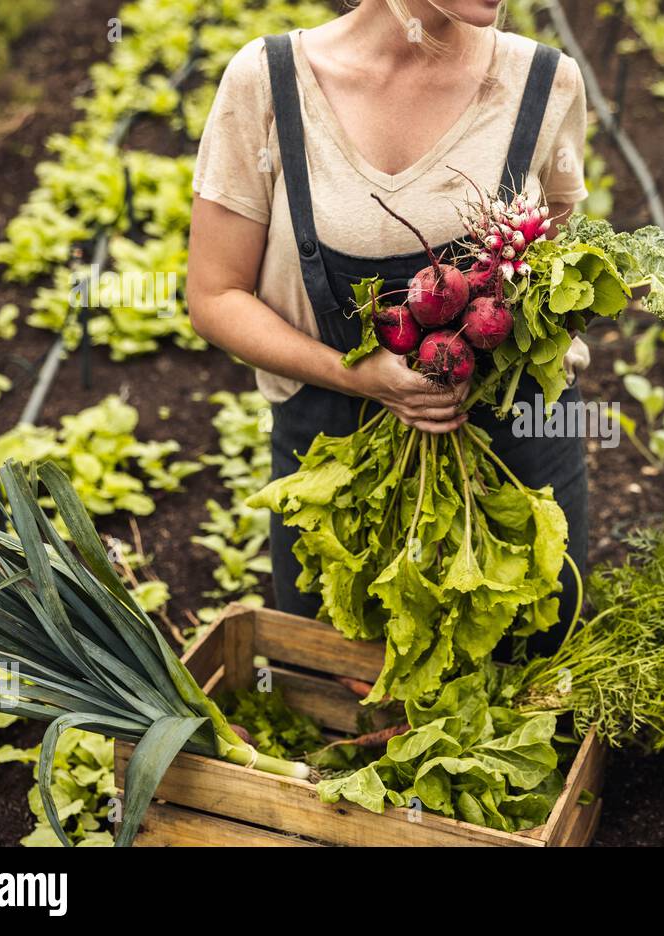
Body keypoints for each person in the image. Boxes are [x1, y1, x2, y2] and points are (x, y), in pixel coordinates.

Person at [186, 0, 591, 654]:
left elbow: (559, 272)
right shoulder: (269, 82)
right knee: (333, 687)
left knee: (533, 684)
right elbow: (214, 294)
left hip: (514, 453)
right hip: (333, 463)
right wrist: (361, 376)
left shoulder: (546, 84)